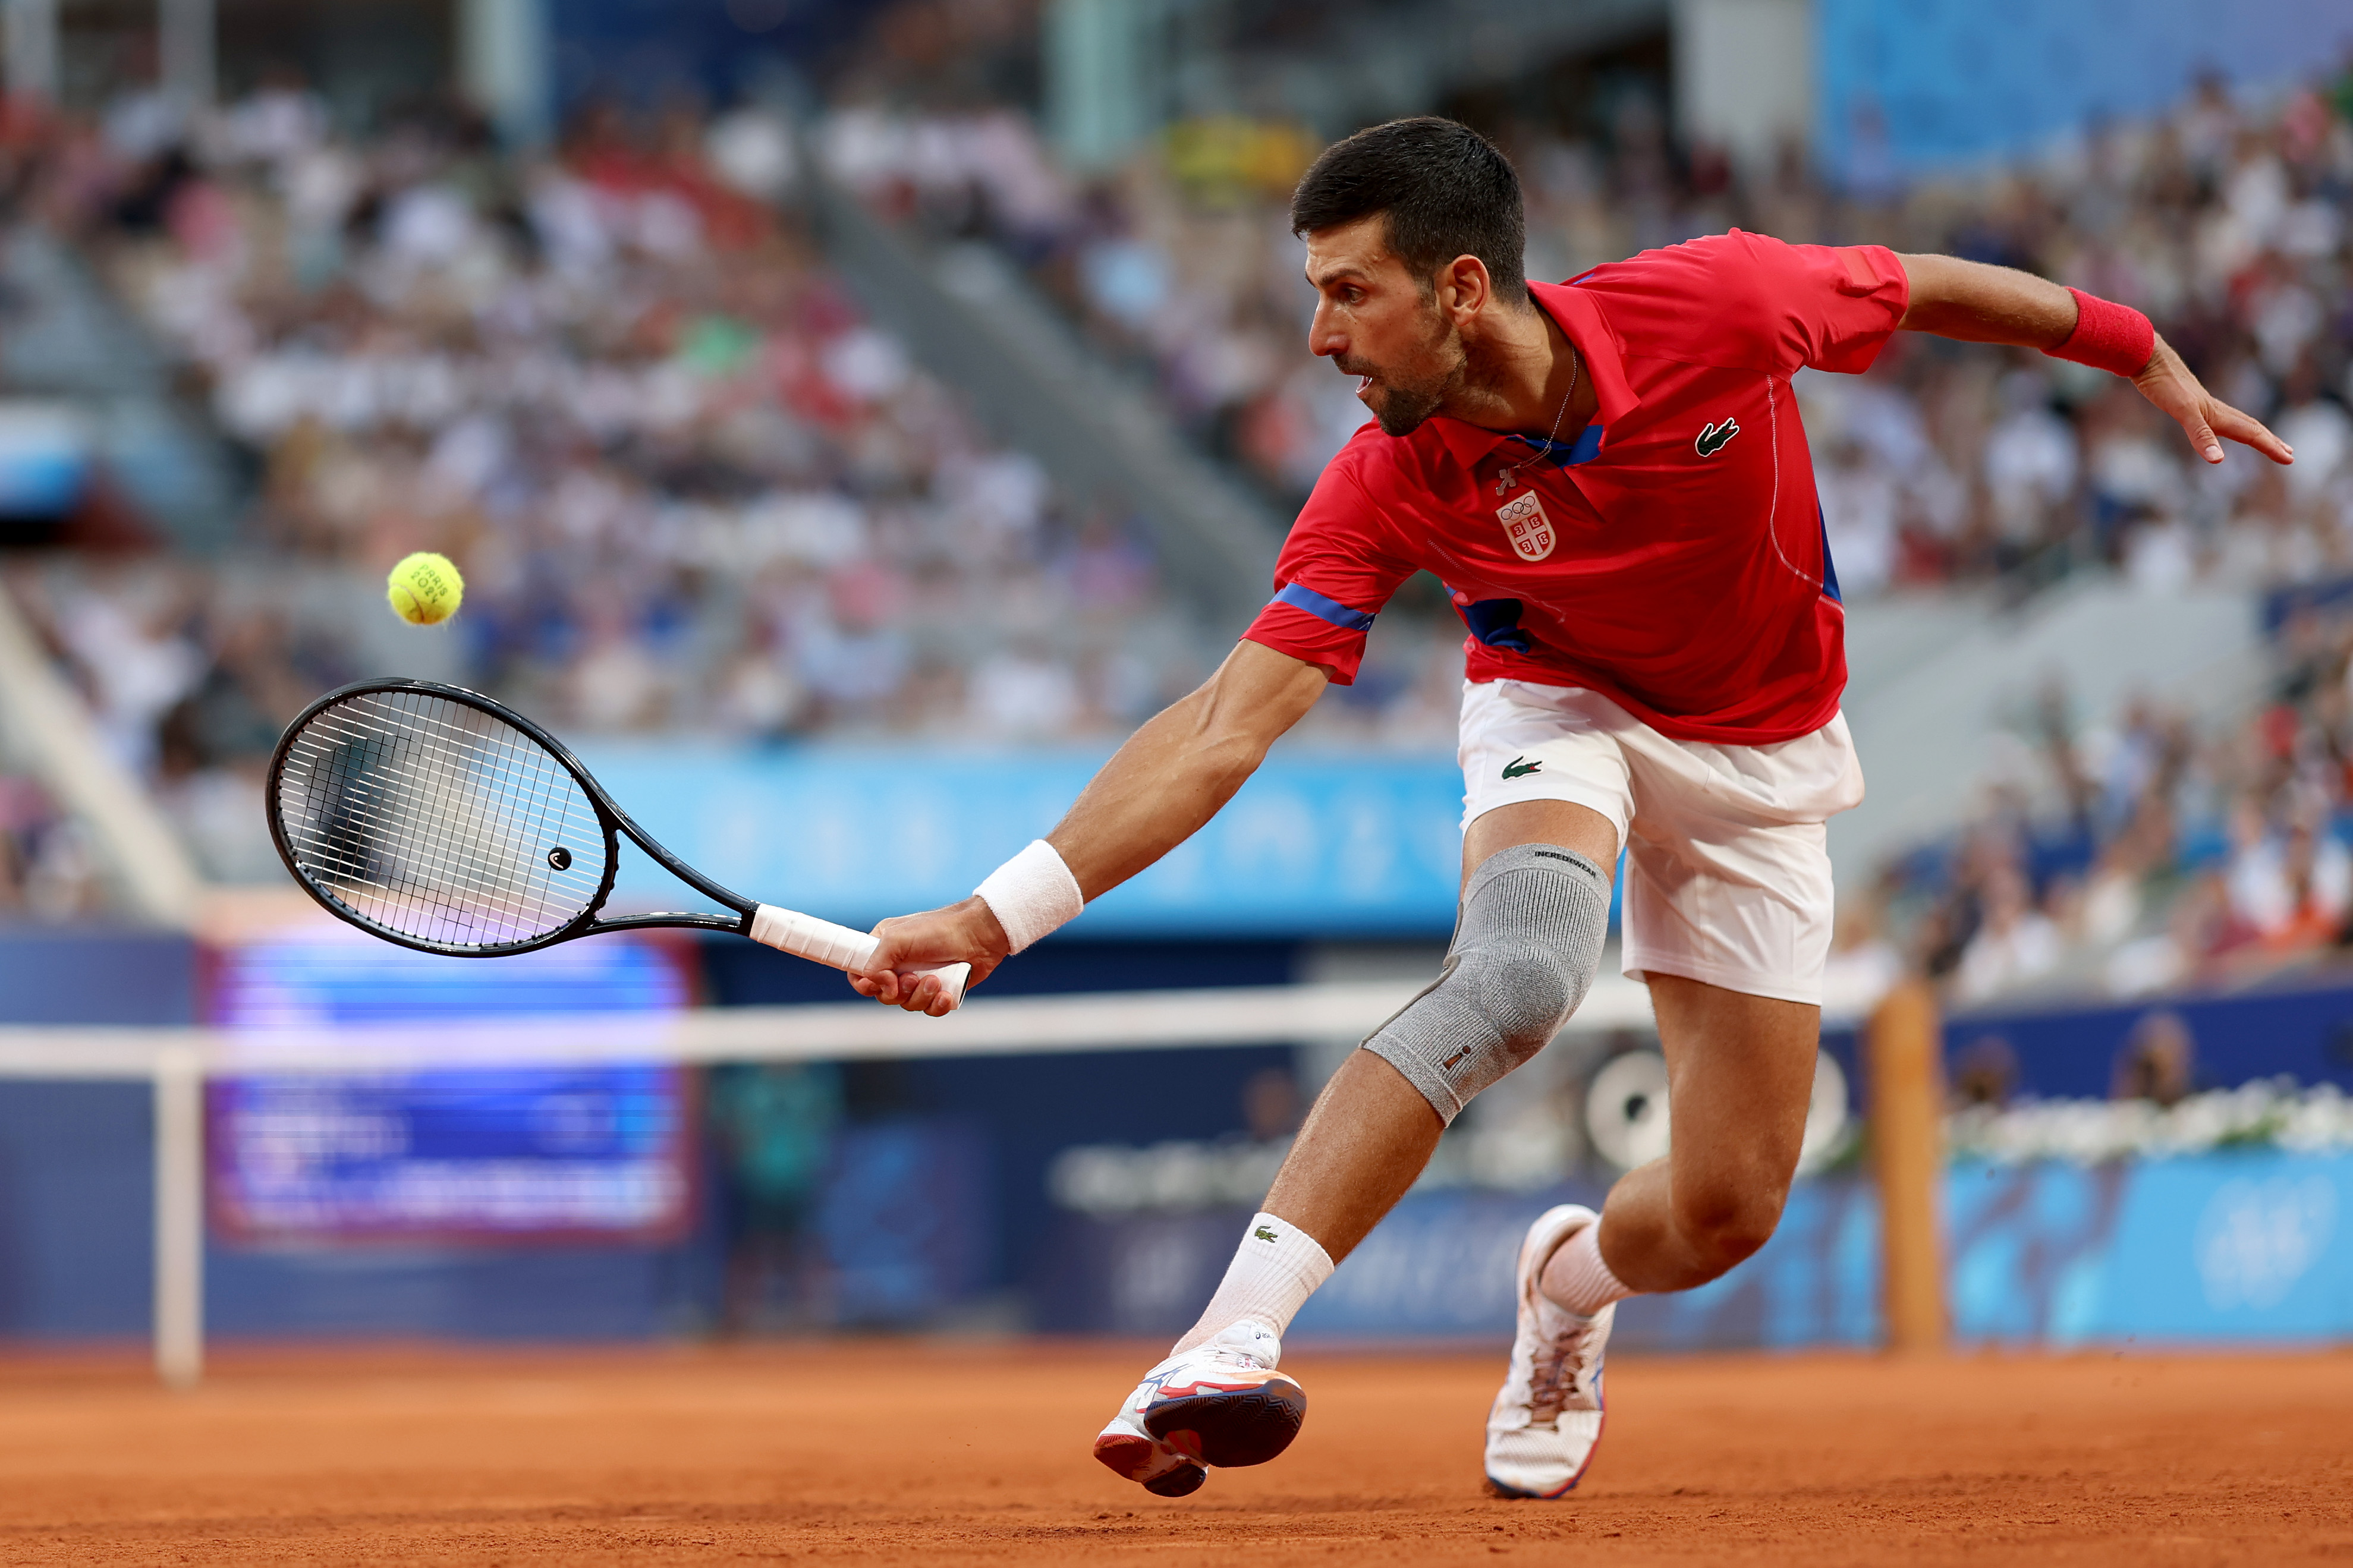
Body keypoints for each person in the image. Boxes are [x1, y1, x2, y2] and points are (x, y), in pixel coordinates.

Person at [848, 117, 2291, 1499]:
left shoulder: (1716, 304)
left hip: (1765, 752)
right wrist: (992, 916)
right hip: (1562, 708)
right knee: (1520, 973)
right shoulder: (1386, 481)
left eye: (1349, 294)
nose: (1317, 337)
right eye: (1312, 296)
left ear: (1460, 287)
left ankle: (1564, 1283)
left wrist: (2139, 349)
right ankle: (1219, 1339)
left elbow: (1923, 288)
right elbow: (1226, 726)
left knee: (1726, 1207)